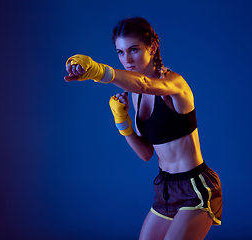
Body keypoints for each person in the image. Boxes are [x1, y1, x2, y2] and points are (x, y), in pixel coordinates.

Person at [64, 17, 223, 240]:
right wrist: (123, 122)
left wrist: (99, 71)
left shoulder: (174, 83)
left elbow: (144, 83)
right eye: (120, 52)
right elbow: (146, 153)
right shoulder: (135, 95)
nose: (126, 59)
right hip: (166, 189)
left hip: (195, 187)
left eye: (134, 50)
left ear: (153, 47)